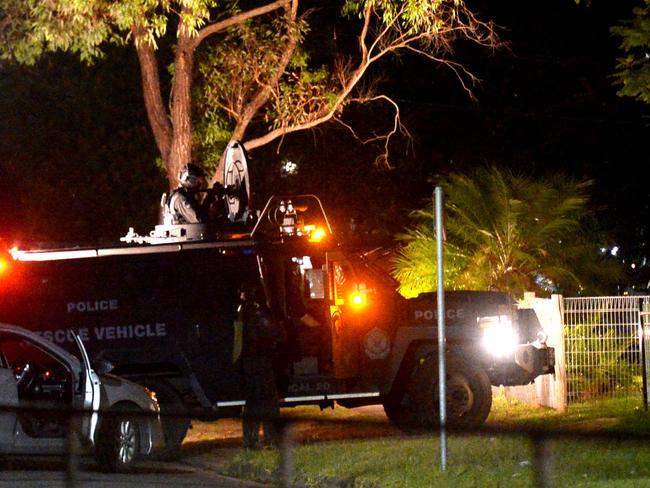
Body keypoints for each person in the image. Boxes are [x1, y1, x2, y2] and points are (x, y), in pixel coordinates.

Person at [237, 285, 285, 449]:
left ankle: (251, 440)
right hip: (260, 361)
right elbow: (276, 333)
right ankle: (270, 439)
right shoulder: (256, 314)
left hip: (249, 362)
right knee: (269, 402)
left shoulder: (241, 311)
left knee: (253, 403)